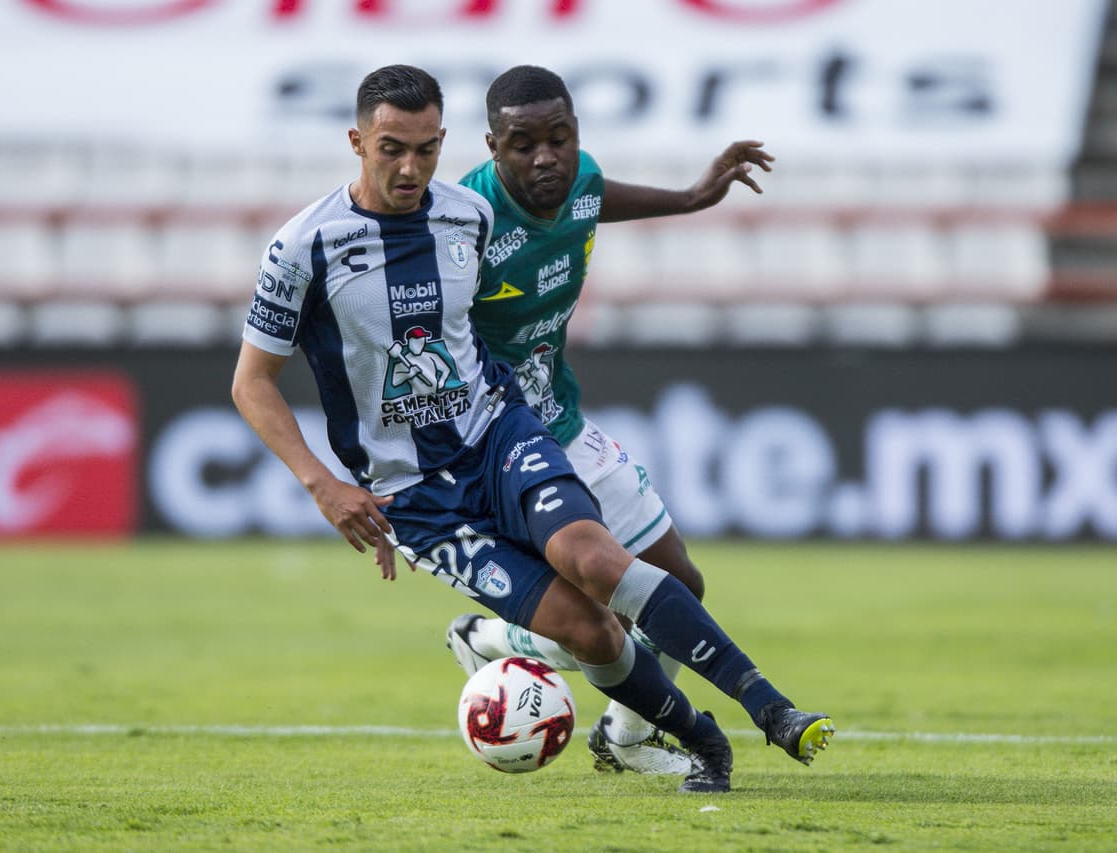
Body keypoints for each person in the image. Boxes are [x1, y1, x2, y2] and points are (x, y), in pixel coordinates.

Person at [232, 64, 833, 795]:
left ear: (448, 143)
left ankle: (769, 707)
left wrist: (690, 197)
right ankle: (695, 736)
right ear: (357, 141)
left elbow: (575, 197)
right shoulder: (302, 248)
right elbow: (251, 382)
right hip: (413, 495)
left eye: (425, 148)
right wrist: (323, 484)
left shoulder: (466, 215)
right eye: (391, 147)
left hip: (500, 434)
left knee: (597, 559)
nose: (410, 166)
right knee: (592, 633)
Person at [435, 65, 792, 777]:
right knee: (599, 615)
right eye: (523, 144)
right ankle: (506, 639)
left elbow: (591, 198)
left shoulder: (582, 178)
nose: (546, 158)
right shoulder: (463, 221)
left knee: (678, 585)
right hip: (500, 444)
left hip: (562, 418)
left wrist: (694, 196)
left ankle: (616, 728)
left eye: (559, 138)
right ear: (492, 146)